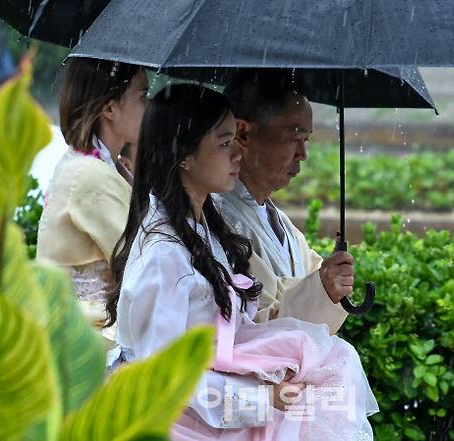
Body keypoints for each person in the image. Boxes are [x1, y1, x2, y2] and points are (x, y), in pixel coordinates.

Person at [109, 84, 378, 439]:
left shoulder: (203, 230)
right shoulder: (163, 253)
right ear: (184, 156)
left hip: (211, 398)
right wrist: (260, 397)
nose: (237, 153)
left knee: (332, 367)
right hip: (179, 419)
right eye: (224, 144)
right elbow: (162, 374)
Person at [215, 70, 351, 335]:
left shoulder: (277, 220)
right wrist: (318, 290)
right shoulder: (216, 219)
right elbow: (250, 333)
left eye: (306, 139)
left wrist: (324, 285)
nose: (303, 154)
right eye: (294, 138)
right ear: (243, 134)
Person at [36, 57, 147, 358]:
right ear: (110, 108)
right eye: (143, 96)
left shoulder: (94, 165)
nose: (149, 107)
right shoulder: (90, 174)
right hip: (86, 342)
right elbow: (144, 261)